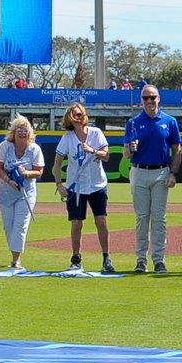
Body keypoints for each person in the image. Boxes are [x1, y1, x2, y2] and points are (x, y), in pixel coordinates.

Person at [123, 84, 182, 273]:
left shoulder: (169, 121)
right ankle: (141, 259)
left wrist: (173, 173)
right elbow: (126, 155)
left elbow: (177, 150)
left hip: (161, 172)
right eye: (146, 98)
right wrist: (131, 148)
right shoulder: (133, 122)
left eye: (152, 97)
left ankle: (159, 260)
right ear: (141, 100)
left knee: (159, 218)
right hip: (139, 171)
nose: (149, 101)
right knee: (142, 218)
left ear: (159, 98)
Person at [52, 103, 115, 272]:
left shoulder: (96, 133)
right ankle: (76, 258)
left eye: (80, 115)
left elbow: (107, 155)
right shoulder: (68, 138)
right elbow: (57, 163)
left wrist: (92, 150)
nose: (78, 118)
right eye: (74, 116)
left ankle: (106, 258)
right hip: (77, 186)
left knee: (101, 220)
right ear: (69, 120)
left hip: (97, 184)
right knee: (77, 223)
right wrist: (59, 184)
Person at [0, 115, 44, 270]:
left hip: (26, 193)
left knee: (20, 226)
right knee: (8, 227)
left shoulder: (35, 149)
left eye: (26, 130)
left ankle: (16, 260)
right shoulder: (5, 146)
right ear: (13, 132)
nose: (22, 133)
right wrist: (9, 180)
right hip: (6, 192)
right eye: (19, 130)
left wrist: (26, 173)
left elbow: (39, 171)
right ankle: (13, 252)